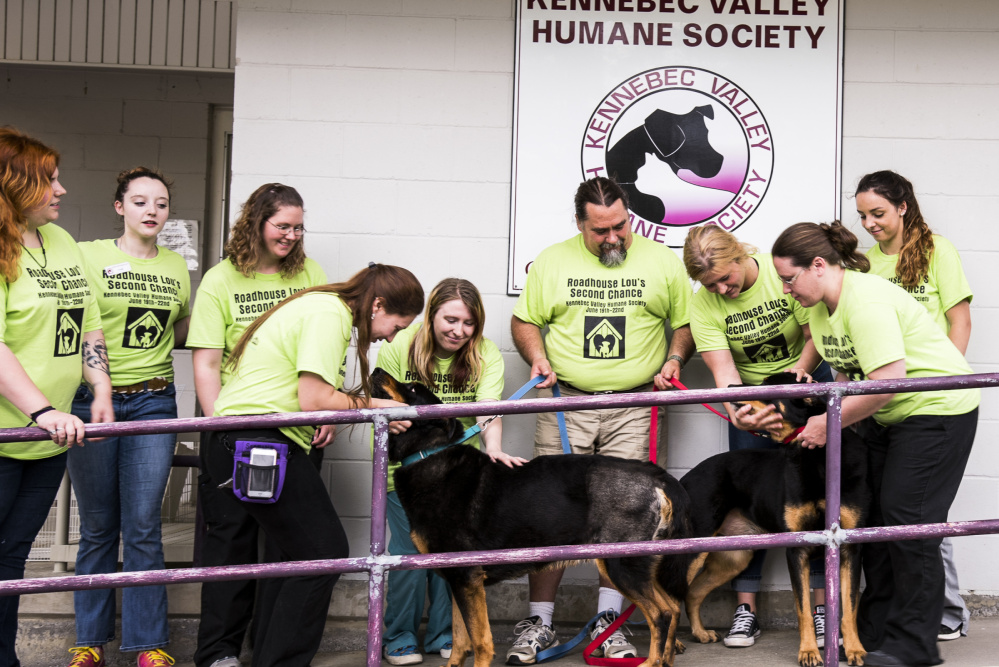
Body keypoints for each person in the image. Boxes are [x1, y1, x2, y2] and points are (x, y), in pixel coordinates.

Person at [772, 221, 979, 667]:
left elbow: (887, 383)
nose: (786, 290)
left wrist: (827, 425)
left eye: (790, 278)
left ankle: (914, 645)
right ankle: (875, 631)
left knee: (909, 520)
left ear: (819, 266)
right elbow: (848, 380)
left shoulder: (864, 301)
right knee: (876, 523)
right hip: (888, 417)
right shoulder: (820, 312)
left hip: (936, 408)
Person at [508, 176, 694, 665]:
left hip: (635, 406)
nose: (612, 238)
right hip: (567, 402)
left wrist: (674, 359)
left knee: (627, 517)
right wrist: (537, 356)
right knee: (548, 513)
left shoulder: (661, 261)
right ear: (580, 224)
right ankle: (540, 621)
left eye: (619, 226)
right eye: (600, 231)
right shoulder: (552, 260)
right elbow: (525, 320)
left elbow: (685, 323)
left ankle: (610, 626)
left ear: (629, 215)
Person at [200, 263, 423, 666]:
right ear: (377, 305)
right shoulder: (330, 313)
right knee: (325, 552)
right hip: (258, 440)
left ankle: (264, 656)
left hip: (241, 439)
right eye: (398, 323)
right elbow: (315, 398)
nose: (394, 335)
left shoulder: (320, 306)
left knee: (295, 554)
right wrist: (379, 405)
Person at [188, 183, 328, 667]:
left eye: (298, 227)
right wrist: (218, 430)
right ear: (256, 223)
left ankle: (265, 651)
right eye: (282, 226)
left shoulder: (309, 274)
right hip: (236, 429)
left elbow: (327, 344)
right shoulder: (221, 280)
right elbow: (206, 364)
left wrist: (324, 413)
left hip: (295, 429)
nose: (291, 236)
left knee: (290, 545)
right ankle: (218, 654)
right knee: (231, 544)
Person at [683, 225, 832, 650]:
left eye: (726, 278)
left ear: (739, 255)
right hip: (756, 399)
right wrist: (742, 412)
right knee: (749, 505)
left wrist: (793, 385)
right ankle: (745, 610)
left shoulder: (777, 272)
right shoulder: (705, 304)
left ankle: (821, 611)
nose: (723, 289)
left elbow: (813, 336)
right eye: (711, 285)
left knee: (821, 504)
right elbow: (725, 374)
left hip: (804, 387)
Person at [64, 167, 191, 667]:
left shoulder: (178, 267)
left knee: (142, 525)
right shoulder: (88, 254)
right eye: (140, 202)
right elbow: (72, 324)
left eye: (160, 203)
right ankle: (89, 642)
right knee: (98, 526)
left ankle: (147, 644)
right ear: (120, 207)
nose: (151, 211)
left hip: (155, 399)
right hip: (91, 401)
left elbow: (179, 328)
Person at [0, 127, 114, 667]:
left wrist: (100, 388)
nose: (61, 190)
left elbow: (88, 322)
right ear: (15, 184)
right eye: (49, 180)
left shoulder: (62, 241)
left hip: (47, 440)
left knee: (12, 558)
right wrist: (43, 409)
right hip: (9, 432)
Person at [377, 278, 527, 665]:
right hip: (408, 471)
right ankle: (400, 637)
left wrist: (493, 449)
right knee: (408, 552)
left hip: (460, 475)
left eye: (469, 323)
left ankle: (447, 636)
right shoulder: (400, 344)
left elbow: (489, 407)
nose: (459, 331)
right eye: (451, 319)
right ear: (431, 315)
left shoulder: (485, 353)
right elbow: (380, 396)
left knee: (456, 558)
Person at [856, 170, 974, 643]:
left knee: (921, 515)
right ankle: (897, 619)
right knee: (894, 515)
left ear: (903, 206)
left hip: (930, 399)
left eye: (878, 213)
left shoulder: (937, 251)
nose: (870, 223)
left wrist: (939, 381)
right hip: (886, 403)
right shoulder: (866, 264)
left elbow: (958, 322)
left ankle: (946, 612)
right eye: (863, 215)